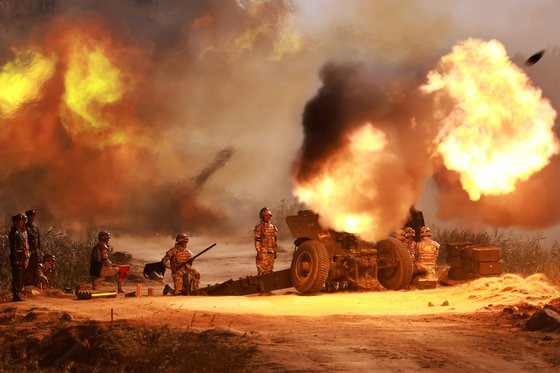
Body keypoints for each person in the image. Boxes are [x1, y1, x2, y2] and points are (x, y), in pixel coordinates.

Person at [9, 213, 30, 301]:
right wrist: (15, 259)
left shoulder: (19, 232)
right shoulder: (14, 233)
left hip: (21, 256)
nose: (22, 223)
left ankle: (19, 292)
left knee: (20, 275)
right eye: (20, 221)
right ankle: (16, 294)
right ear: (16, 222)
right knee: (17, 276)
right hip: (17, 257)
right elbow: (13, 248)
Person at [254, 207, 278, 275]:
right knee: (262, 271)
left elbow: (275, 240)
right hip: (263, 252)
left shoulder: (273, 227)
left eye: (269, 215)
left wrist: (275, 251)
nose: (268, 217)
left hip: (271, 252)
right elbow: (257, 240)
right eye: (266, 215)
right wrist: (259, 252)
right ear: (262, 216)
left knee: (269, 271)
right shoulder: (259, 227)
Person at [24, 209, 41, 286]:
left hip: (35, 252)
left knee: (35, 269)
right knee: (27, 269)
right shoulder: (24, 227)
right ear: (28, 217)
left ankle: (34, 286)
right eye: (30, 216)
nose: (32, 218)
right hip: (28, 252)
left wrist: (38, 250)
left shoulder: (35, 228)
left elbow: (38, 241)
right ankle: (26, 286)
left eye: (33, 216)